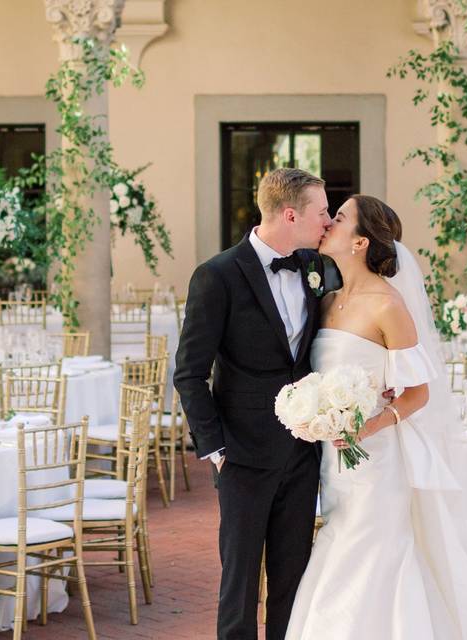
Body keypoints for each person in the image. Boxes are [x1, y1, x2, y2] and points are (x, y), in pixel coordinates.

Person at [285, 195, 467, 640]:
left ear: (360, 242)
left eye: (341, 217)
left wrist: (368, 425)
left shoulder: (388, 305)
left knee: (367, 551)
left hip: (378, 459)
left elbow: (418, 392)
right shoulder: (327, 300)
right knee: (342, 539)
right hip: (336, 459)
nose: (330, 222)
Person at [174, 167, 332, 640]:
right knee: (239, 583)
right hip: (241, 455)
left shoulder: (317, 267)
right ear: (290, 214)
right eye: (322, 212)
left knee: (293, 577)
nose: (327, 221)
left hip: (302, 453)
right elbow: (189, 372)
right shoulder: (217, 275)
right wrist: (217, 449)